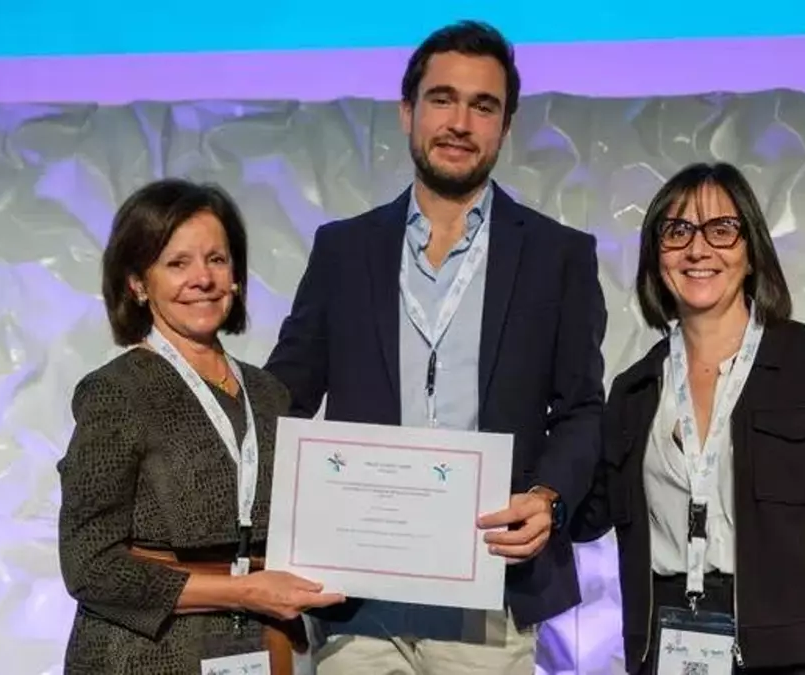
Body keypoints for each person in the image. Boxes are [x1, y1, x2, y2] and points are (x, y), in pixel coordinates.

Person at [264, 20, 608, 675]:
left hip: (489, 591)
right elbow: (285, 398)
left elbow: (582, 409)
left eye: (484, 106)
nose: (460, 123)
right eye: (442, 99)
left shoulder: (558, 256)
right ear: (407, 111)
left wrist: (548, 497)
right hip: (358, 594)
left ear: (505, 126)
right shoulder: (343, 250)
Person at [572, 163, 805, 675]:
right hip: (666, 652)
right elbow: (585, 514)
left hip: (794, 658)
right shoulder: (633, 389)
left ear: (751, 252)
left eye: (721, 229)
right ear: (657, 256)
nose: (698, 249)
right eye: (677, 231)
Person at [56, 178, 344, 674]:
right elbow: (90, 566)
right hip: (145, 657)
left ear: (236, 276)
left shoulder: (269, 395)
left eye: (216, 259)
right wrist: (242, 591)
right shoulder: (115, 392)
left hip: (256, 649)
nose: (202, 279)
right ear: (138, 283)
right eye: (177, 263)